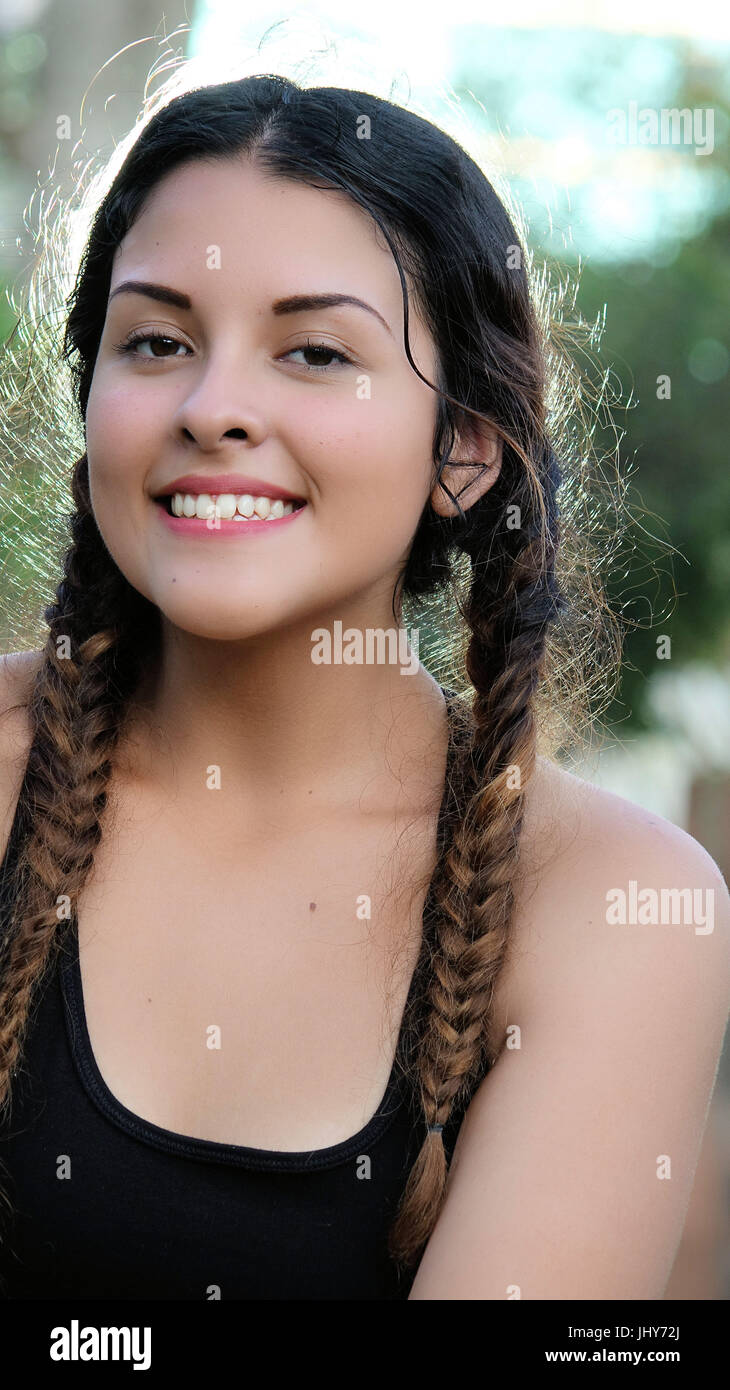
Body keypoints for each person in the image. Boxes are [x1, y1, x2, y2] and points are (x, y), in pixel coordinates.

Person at [0, 73, 728, 1302]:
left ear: (463, 450)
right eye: (158, 340)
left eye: (315, 350)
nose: (214, 406)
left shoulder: (611, 903)